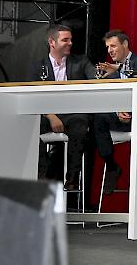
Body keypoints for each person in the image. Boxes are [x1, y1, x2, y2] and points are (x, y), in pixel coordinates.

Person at [31, 24, 96, 190]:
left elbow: (96, 79)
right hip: (47, 114)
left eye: (71, 40)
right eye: (65, 40)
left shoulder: (81, 61)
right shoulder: (38, 66)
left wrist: (108, 73)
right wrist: (51, 116)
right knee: (28, 127)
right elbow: (33, 96)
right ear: (52, 42)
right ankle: (42, 177)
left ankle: (72, 178)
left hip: (72, 114)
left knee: (80, 123)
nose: (70, 43)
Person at [94, 29, 137, 194]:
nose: (110, 51)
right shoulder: (109, 72)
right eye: (108, 47)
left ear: (125, 44)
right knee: (98, 117)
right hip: (119, 119)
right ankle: (112, 167)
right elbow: (107, 97)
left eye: (113, 46)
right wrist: (116, 111)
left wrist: (119, 70)